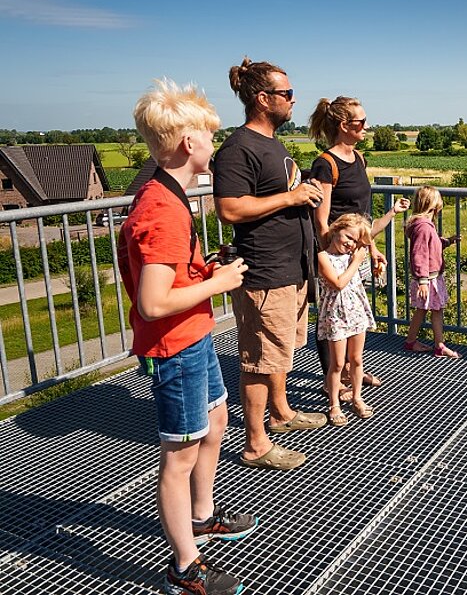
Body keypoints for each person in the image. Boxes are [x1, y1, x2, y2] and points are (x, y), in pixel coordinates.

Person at [118, 79, 256, 595]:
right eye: (209, 137)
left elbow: (169, 280)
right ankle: (184, 566)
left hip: (193, 335)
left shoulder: (167, 195)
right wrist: (219, 283)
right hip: (174, 347)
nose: (214, 145)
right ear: (188, 143)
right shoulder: (164, 211)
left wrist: (203, 273)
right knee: (178, 457)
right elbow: (153, 303)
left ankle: (202, 516)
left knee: (216, 420)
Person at [214, 57, 327, 472]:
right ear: (263, 99)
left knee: (279, 354)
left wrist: (301, 191)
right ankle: (255, 444)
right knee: (260, 361)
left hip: (289, 269)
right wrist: (291, 197)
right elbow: (229, 208)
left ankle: (280, 413)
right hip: (265, 272)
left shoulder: (271, 144)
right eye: (287, 93)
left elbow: (273, 193)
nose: (293, 100)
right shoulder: (238, 148)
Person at [307, 96, 409, 395]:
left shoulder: (359, 158)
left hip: (357, 251)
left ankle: (352, 371)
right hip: (336, 255)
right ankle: (333, 379)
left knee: (352, 315)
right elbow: (322, 221)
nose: (367, 125)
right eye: (361, 121)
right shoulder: (325, 165)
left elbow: (363, 216)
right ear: (344, 125)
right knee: (331, 316)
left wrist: (371, 249)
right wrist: (331, 261)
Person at [317, 214, 378, 422]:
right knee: (337, 363)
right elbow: (338, 283)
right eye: (348, 237)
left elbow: (372, 232)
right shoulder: (323, 257)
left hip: (355, 312)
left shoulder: (352, 255)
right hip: (336, 315)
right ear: (336, 230)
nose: (351, 243)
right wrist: (356, 262)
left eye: (355, 241)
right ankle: (334, 403)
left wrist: (392, 213)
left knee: (357, 359)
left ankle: (357, 397)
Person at [402, 186, 462, 358]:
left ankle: (414, 342)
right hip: (428, 279)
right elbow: (419, 254)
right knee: (434, 310)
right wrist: (423, 281)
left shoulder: (423, 226)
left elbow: (432, 244)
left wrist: (448, 241)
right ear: (433, 205)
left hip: (429, 278)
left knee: (425, 310)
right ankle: (437, 345)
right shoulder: (424, 228)